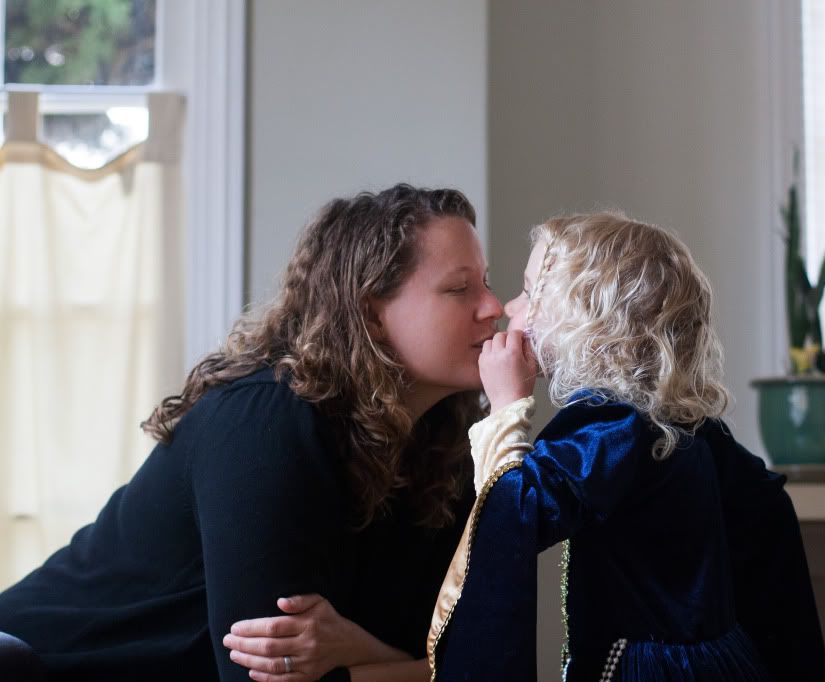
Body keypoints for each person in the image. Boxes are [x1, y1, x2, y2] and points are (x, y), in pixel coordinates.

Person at [0, 183, 504, 682]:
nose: (492, 307)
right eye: (460, 289)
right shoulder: (266, 420)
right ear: (371, 314)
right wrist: (404, 665)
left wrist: (358, 649)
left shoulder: (440, 449)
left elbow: (474, 658)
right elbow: (262, 678)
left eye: (485, 283)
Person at [428, 212, 825, 681]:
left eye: (530, 291)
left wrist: (506, 406)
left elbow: (519, 511)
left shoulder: (610, 426)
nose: (510, 308)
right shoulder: (679, 422)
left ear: (585, 315)